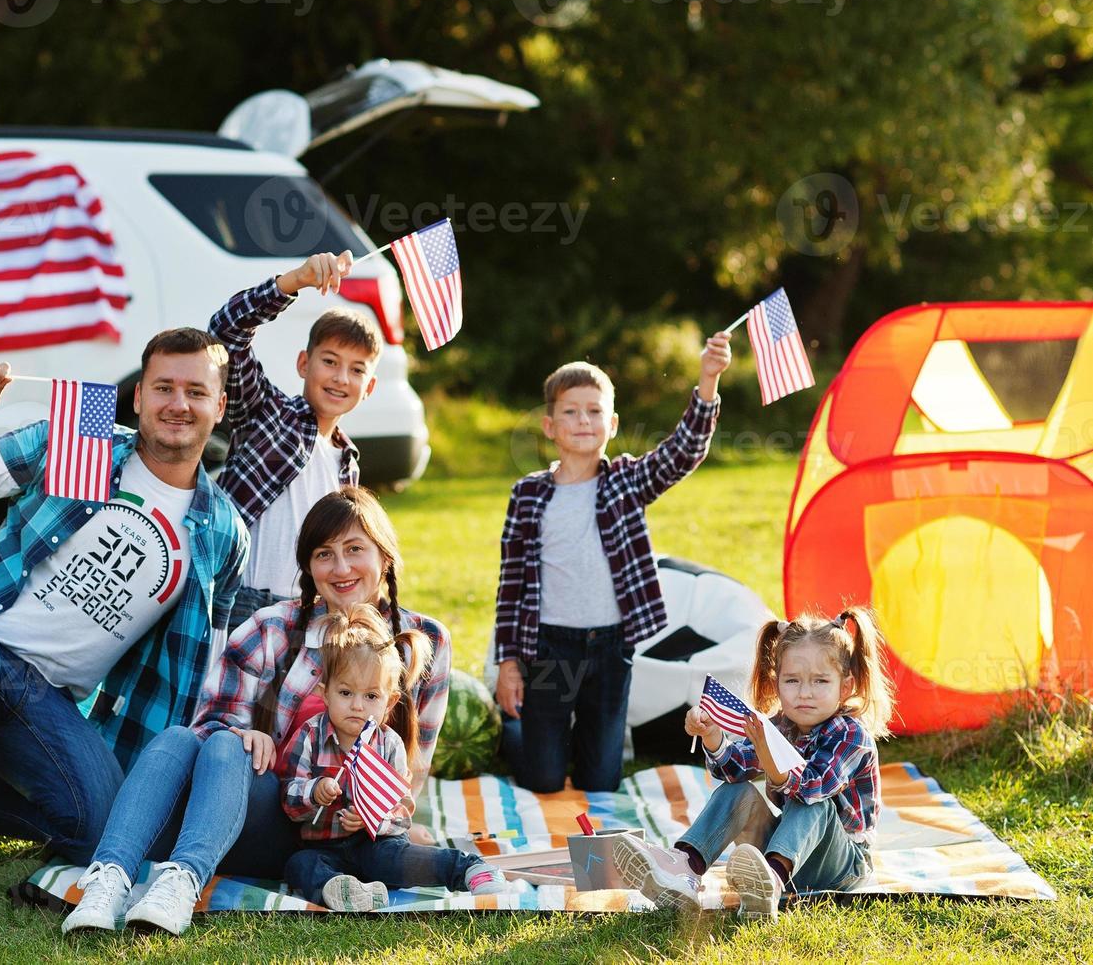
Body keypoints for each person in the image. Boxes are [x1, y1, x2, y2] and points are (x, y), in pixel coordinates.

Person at [0, 330, 248, 873]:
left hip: (44, 700)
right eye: (163, 388)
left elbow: (211, 654)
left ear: (220, 405)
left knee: (100, 834)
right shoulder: (80, 443)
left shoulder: (223, 529)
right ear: (138, 398)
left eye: (196, 392)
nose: (178, 404)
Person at [61, 486, 450, 936]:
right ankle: (107, 884)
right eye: (324, 554)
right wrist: (248, 735)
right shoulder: (271, 628)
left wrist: (394, 824)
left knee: (219, 743)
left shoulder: (426, 640)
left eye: (354, 550)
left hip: (327, 839)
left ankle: (181, 878)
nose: (341, 568)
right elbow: (211, 724)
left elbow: (412, 765)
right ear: (308, 567)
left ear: (384, 557)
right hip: (253, 808)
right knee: (185, 738)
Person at [494, 334, 732, 792]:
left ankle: (587, 746)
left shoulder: (626, 481)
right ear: (548, 426)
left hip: (611, 644)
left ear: (614, 423)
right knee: (543, 777)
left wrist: (708, 380)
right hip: (550, 645)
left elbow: (682, 453)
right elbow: (511, 583)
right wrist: (508, 663)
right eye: (570, 410)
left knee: (600, 781)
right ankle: (514, 727)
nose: (583, 419)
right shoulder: (527, 494)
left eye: (595, 410)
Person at [614, 608, 897, 922]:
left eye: (820, 681)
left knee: (814, 805)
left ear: (845, 687)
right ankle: (685, 869)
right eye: (792, 681)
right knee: (736, 791)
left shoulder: (850, 735)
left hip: (840, 865)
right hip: (792, 855)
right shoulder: (781, 725)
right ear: (776, 684)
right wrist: (713, 736)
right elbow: (733, 768)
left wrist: (768, 752)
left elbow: (813, 787)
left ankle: (769, 885)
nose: (805, 693)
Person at [280, 605, 506, 910]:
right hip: (323, 846)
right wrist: (313, 791)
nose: (357, 706)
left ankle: (466, 868)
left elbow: (401, 810)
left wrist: (371, 820)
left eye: (371, 696)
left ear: (390, 703)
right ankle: (342, 890)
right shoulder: (310, 736)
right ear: (325, 693)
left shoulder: (388, 744)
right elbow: (288, 798)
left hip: (376, 844)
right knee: (299, 864)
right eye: (346, 693)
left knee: (393, 859)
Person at [209, 250, 383, 629]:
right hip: (240, 597)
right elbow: (226, 332)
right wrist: (295, 281)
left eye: (356, 370)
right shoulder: (268, 413)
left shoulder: (347, 462)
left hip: (309, 610)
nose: (340, 378)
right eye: (330, 361)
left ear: (368, 387)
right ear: (304, 363)